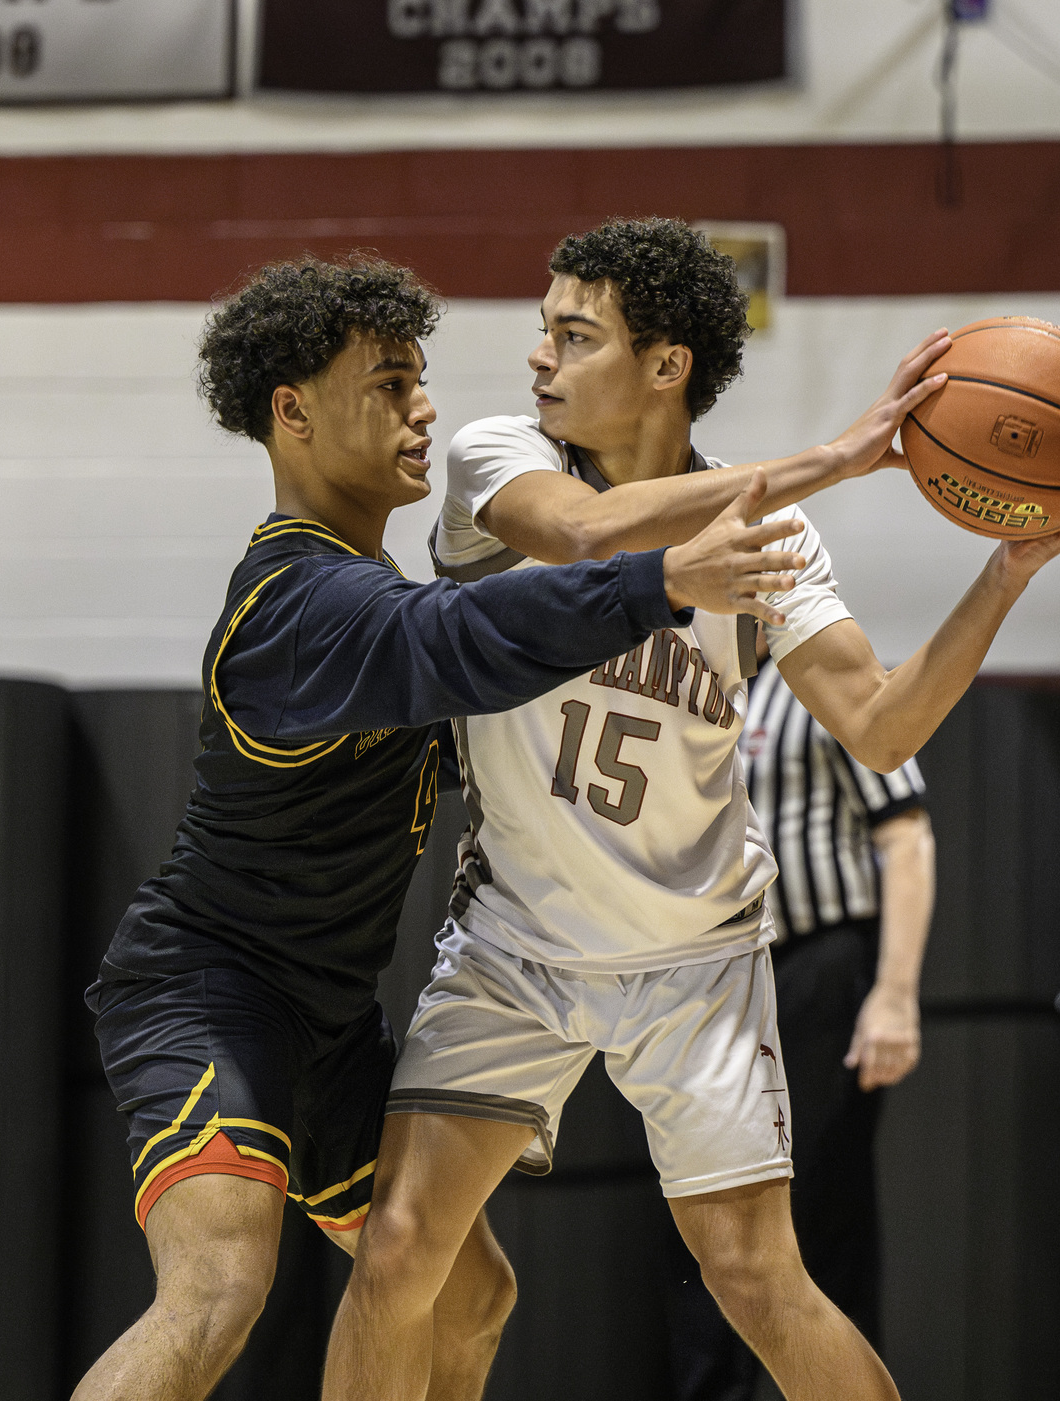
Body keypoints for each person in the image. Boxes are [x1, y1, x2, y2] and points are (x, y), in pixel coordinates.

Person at [322, 218, 1060, 1401]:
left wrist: (1005, 575)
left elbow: (884, 724)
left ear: (665, 366)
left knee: (756, 1280)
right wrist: (841, 456)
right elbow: (590, 532)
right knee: (397, 1252)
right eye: (545, 330)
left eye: (574, 334)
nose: (539, 357)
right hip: (514, 947)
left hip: (692, 963)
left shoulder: (775, 541)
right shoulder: (499, 461)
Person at [72, 252, 805, 1401]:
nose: (424, 408)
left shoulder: (372, 581)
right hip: (214, 993)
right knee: (218, 1288)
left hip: (332, 1021)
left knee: (470, 1292)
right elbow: (460, 641)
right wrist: (662, 580)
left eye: (422, 381)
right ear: (293, 411)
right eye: (389, 382)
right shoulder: (297, 603)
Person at [664, 634, 936, 1401]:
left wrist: (895, 993)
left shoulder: (826, 682)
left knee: (815, 1203)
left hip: (817, 964)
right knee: (700, 1209)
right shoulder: (687, 681)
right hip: (708, 974)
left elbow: (907, 838)